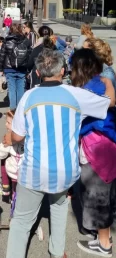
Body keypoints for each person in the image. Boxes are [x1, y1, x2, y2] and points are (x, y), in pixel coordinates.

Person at [6, 49, 115, 258]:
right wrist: (109, 83)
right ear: (63, 71)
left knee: (21, 221)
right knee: (58, 207)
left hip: (34, 171)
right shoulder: (76, 95)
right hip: (65, 171)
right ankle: (56, 252)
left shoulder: (29, 97)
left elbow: (17, 137)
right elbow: (109, 102)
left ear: (38, 73)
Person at [70, 49, 116, 257]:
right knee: (105, 195)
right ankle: (101, 234)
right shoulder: (102, 82)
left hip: (97, 150)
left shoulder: (85, 91)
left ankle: (104, 244)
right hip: (109, 146)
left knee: (98, 196)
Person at [0, 23, 31, 111]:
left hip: (9, 68)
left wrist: (0, 69)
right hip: (22, 68)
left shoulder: (7, 41)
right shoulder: (26, 41)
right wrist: (28, 69)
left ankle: (13, 110)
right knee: (21, 89)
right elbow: (29, 56)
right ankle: (20, 110)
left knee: (12, 89)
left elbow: (2, 55)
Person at [0, 110, 24, 202]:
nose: (6, 125)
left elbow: (0, 153)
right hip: (26, 173)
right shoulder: (28, 139)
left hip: (13, 173)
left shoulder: (9, 138)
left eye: (8, 123)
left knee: (4, 159)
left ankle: (5, 185)